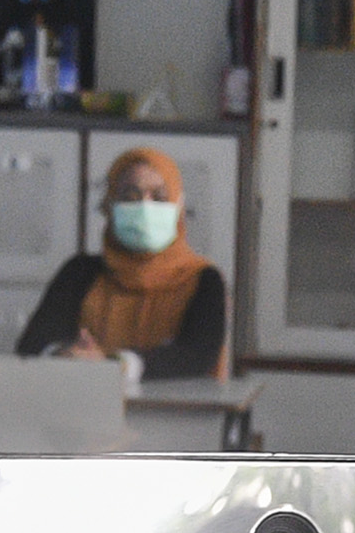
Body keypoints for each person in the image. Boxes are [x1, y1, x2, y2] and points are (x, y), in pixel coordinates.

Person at [17, 144, 229, 380]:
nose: (145, 206)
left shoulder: (203, 279)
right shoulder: (79, 272)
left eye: (159, 197)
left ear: (178, 207)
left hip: (174, 404)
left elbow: (197, 356)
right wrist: (66, 353)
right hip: (86, 400)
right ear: (109, 205)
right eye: (130, 196)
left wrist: (113, 364)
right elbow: (32, 345)